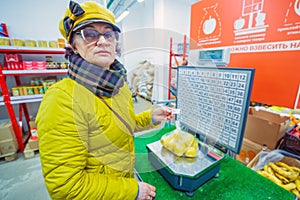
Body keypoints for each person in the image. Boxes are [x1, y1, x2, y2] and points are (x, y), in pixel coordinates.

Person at [35, 1, 173, 199]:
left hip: (122, 177)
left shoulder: (119, 86)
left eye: (108, 34)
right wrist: (132, 190)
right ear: (73, 45)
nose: (102, 41)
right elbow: (66, 187)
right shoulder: (62, 99)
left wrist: (151, 116)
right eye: (89, 34)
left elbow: (123, 125)